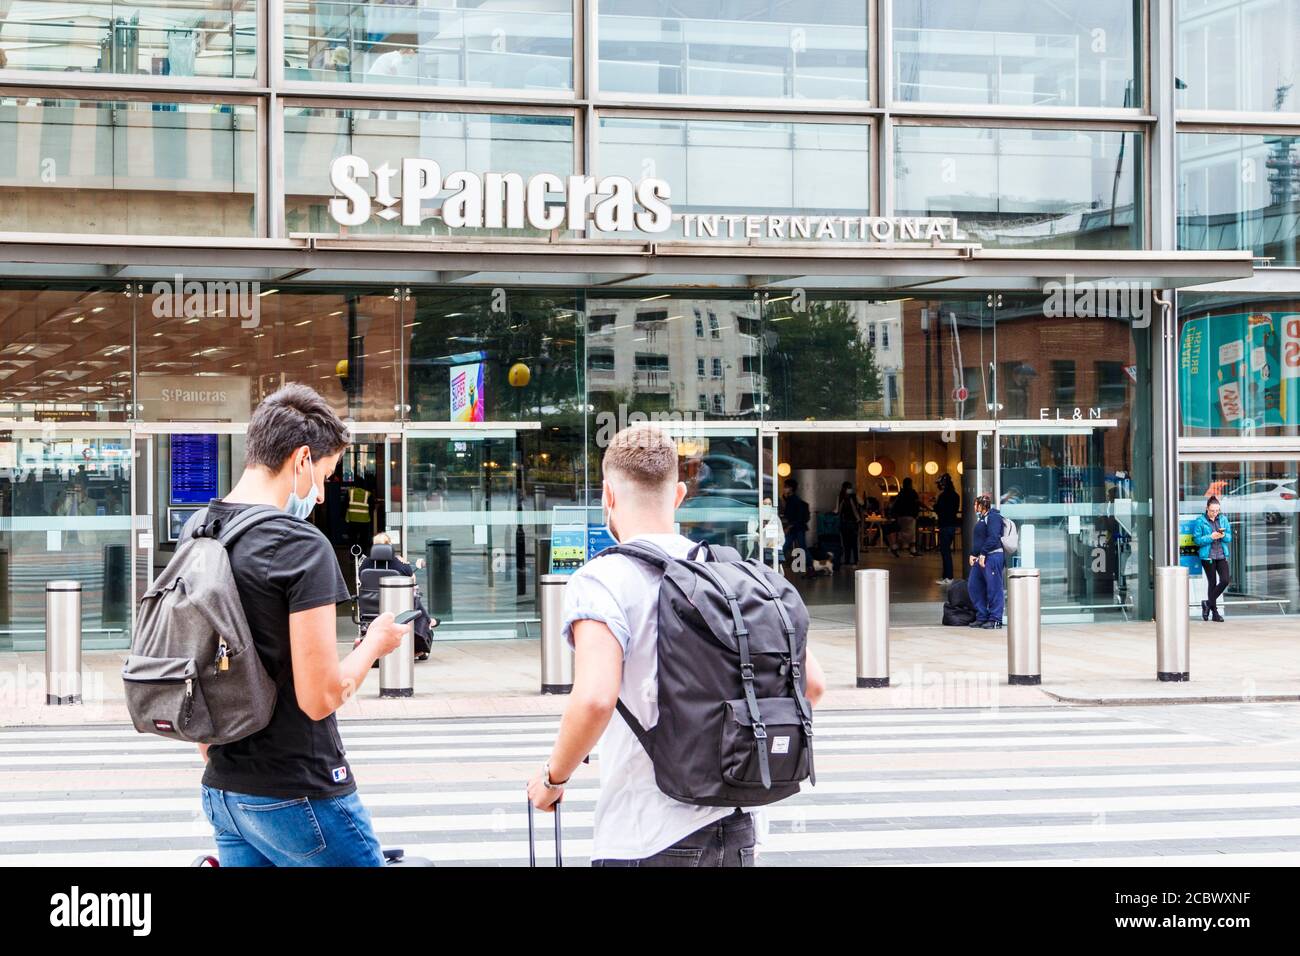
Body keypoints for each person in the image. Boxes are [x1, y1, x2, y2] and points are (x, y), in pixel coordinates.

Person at [526, 425, 826, 866]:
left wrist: (553, 779)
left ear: (608, 496)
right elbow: (813, 685)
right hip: (739, 825)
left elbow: (593, 699)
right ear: (680, 494)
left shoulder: (601, 579)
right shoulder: (730, 573)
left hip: (647, 830)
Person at [196, 384, 409, 866]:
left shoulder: (201, 532)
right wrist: (374, 644)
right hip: (301, 789)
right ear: (301, 460)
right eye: (325, 476)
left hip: (223, 790)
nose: (318, 497)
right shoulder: (299, 545)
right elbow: (320, 698)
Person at [356, 531, 437, 659]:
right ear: (389, 546)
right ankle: (427, 626)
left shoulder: (365, 564)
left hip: (369, 609)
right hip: (397, 608)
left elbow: (360, 580)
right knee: (414, 598)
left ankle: (428, 621)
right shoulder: (399, 564)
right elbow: (412, 580)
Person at [967, 493, 1006, 629]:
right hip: (981, 557)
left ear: (981, 506)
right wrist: (973, 554)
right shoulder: (982, 518)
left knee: (994, 587)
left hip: (992, 557)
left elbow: (993, 537)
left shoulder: (994, 517)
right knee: (974, 585)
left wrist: (982, 553)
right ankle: (982, 615)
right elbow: (980, 539)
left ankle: (996, 619)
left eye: (975, 504)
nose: (974, 506)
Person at [1193, 495, 1232, 622]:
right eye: (1212, 511)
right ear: (1207, 509)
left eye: (1217, 510)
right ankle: (1215, 613)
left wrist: (1223, 535)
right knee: (1212, 583)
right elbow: (1197, 540)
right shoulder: (1200, 521)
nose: (1215, 513)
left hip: (1221, 554)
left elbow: (1229, 538)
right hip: (1208, 556)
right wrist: (1211, 537)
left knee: (1225, 580)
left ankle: (1207, 603)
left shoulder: (1223, 519)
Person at [780, 477, 812, 575]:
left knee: (794, 546)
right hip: (795, 528)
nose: (784, 489)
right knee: (787, 546)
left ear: (791, 488)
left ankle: (811, 566)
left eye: (786, 487)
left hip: (797, 528)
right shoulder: (791, 499)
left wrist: (788, 527)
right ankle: (811, 567)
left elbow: (797, 516)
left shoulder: (794, 500)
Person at [934, 473, 960, 586]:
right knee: (946, 551)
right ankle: (946, 576)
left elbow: (938, 509)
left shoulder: (943, 496)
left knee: (945, 552)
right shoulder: (955, 495)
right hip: (952, 525)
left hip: (944, 525)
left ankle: (948, 577)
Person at [890, 477, 921, 557]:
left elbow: (896, 504)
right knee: (910, 533)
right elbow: (917, 503)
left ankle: (908, 549)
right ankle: (897, 547)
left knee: (904, 532)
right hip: (910, 516)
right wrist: (917, 513)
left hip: (901, 516)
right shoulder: (913, 493)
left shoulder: (901, 493)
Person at [837, 481, 862, 568]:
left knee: (846, 543)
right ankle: (854, 561)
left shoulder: (841, 497)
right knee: (853, 543)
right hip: (853, 522)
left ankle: (848, 560)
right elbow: (861, 504)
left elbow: (837, 510)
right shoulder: (854, 497)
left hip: (845, 523)